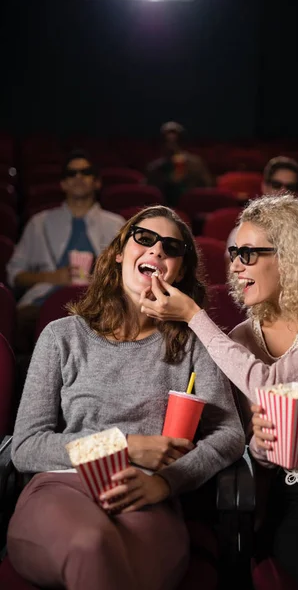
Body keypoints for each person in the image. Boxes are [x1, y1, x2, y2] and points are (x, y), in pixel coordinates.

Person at [140, 194, 298, 590]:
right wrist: (260, 445)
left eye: (248, 253)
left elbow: (274, 384)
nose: (235, 266)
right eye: (233, 253)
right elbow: (262, 452)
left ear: (292, 256)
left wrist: (195, 317)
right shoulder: (241, 339)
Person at [8, 205, 244, 590]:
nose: (156, 251)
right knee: (91, 544)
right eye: (145, 239)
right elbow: (27, 447)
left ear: (180, 271)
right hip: (63, 487)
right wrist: (125, 445)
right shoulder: (62, 336)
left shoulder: (193, 342)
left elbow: (229, 435)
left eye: (171, 247)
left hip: (147, 494)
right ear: (120, 251)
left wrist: (168, 481)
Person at [7, 150, 125, 353]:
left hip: (101, 307)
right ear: (63, 184)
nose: (78, 177)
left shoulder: (116, 225)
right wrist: (52, 277)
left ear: (97, 182)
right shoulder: (39, 223)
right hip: (41, 305)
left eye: (85, 172)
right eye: (71, 174)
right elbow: (15, 275)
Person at [225, 155, 298, 257]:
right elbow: (234, 271)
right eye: (276, 185)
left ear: (297, 193)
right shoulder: (242, 232)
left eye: (290, 187)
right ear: (264, 187)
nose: (283, 191)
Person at [146, 121, 213, 207]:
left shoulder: (196, 163)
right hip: (163, 209)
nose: (172, 142)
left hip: (191, 208)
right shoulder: (154, 168)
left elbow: (207, 188)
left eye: (175, 141)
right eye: (168, 141)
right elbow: (150, 196)